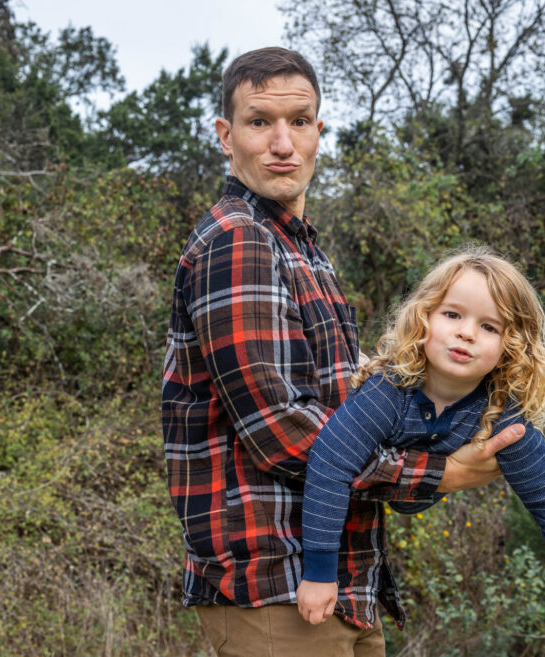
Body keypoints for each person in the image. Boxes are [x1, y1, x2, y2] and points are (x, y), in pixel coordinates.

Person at [161, 47, 525, 656]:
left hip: (343, 580)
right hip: (275, 579)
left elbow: (347, 409)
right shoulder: (238, 241)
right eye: (259, 123)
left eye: (299, 121)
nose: (283, 143)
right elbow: (282, 430)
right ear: (226, 136)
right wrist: (443, 472)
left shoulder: (302, 250)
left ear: (318, 131)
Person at [297, 245, 545, 632]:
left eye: (489, 326)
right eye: (453, 314)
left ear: (512, 347)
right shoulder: (387, 391)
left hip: (410, 490)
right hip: (360, 477)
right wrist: (320, 574)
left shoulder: (502, 418)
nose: (466, 332)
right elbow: (329, 464)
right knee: (349, 404)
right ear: (424, 316)